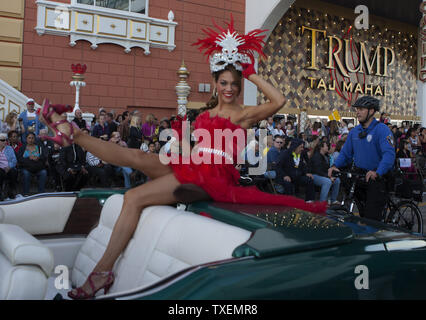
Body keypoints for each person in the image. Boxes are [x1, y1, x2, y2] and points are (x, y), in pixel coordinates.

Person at [38, 17, 326, 299]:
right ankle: (75, 135)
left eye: (234, 84)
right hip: (192, 165)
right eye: (223, 82)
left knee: (133, 197)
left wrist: (250, 73)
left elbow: (278, 101)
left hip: (213, 178)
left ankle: (102, 271)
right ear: (215, 83)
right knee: (138, 155)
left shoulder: (244, 114)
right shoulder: (203, 114)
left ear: (239, 86)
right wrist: (176, 149)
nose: (228, 88)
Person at [328, 96, 395, 221]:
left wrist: (378, 172)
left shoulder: (382, 129)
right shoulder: (354, 132)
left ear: (372, 111)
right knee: (354, 208)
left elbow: (389, 154)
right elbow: (345, 153)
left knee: (371, 217)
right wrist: (335, 166)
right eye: (357, 109)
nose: (357, 112)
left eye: (361, 109)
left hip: (377, 176)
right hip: (360, 175)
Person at [0, 133, 18, 199]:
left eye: (6, 140)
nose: (5, 142)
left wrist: (9, 166)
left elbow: (14, 160)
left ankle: (11, 191)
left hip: (9, 168)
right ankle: (1, 192)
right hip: (0, 169)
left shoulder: (9, 148)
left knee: (13, 171)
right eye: (2, 140)